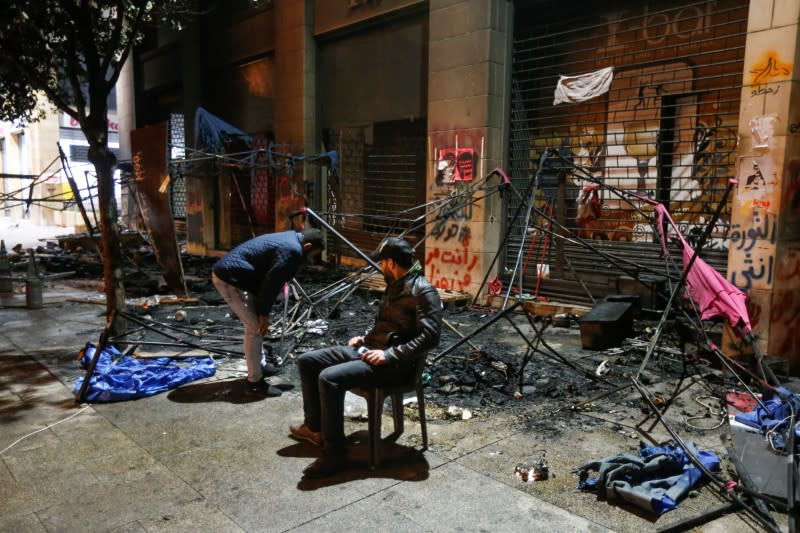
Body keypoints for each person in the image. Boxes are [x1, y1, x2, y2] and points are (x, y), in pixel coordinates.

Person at [290, 236, 443, 478]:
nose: (380, 267)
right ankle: (314, 429)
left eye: (382, 262)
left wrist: (390, 354)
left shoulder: (423, 291)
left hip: (395, 365)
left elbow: (430, 337)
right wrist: (364, 336)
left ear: (390, 262)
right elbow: (381, 318)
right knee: (308, 361)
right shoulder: (394, 284)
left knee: (329, 378)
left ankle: (336, 455)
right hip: (370, 350)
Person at [212, 228, 325, 397]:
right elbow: (271, 284)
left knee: (258, 327)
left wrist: (263, 311)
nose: (310, 260)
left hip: (240, 276)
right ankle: (254, 384)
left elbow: (269, 280)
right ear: (307, 246)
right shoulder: (293, 251)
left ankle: (260, 366)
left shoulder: (291, 239)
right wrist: (263, 313)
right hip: (230, 279)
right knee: (255, 328)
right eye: (312, 255)